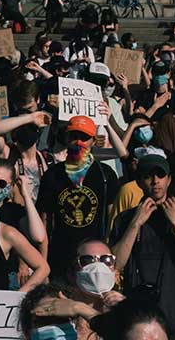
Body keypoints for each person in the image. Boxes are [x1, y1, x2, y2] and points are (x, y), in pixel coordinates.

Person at [110, 151, 175, 332]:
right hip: (136, 316)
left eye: (160, 175)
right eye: (148, 176)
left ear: (169, 180)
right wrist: (135, 224)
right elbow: (115, 264)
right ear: (139, 182)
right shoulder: (125, 220)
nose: (155, 181)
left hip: (174, 316)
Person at [37, 116, 120, 282]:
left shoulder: (106, 175)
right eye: (74, 136)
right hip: (60, 258)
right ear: (66, 139)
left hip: (95, 260)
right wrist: (43, 265)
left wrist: (111, 262)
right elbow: (44, 222)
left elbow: (113, 220)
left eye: (84, 137)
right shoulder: (52, 175)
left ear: (94, 141)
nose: (78, 142)